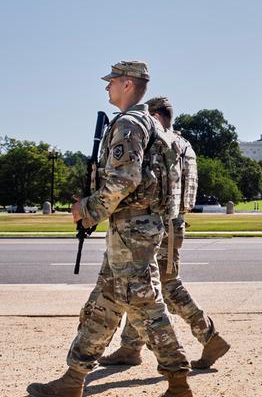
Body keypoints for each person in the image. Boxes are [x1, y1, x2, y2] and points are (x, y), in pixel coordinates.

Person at [27, 62, 194, 397]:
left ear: (128, 84)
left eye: (112, 82)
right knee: (104, 303)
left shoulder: (131, 123)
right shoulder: (149, 123)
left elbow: (124, 179)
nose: (107, 88)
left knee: (145, 304)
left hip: (133, 230)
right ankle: (74, 378)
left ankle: (178, 381)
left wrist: (86, 210)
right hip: (135, 227)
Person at [98, 96, 230, 370]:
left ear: (156, 117)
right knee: (143, 287)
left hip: (159, 222)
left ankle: (209, 337)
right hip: (172, 221)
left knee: (165, 286)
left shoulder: (163, 142)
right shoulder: (184, 144)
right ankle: (130, 347)